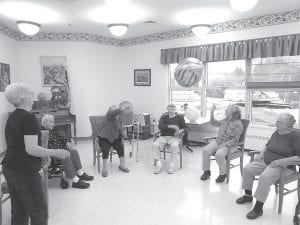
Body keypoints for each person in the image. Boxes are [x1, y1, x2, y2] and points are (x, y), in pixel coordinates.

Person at [1, 83, 70, 225]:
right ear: (23, 98)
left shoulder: (12, 117)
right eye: (31, 95)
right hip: (24, 171)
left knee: (19, 210)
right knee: (38, 211)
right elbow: (31, 148)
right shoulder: (29, 118)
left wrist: (43, 155)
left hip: (9, 167)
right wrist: (55, 152)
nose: (33, 98)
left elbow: (17, 146)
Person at [236, 113, 300, 220]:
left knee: (265, 177)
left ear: (287, 125)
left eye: (279, 122)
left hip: (284, 166)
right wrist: (261, 153)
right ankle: (248, 196)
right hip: (266, 161)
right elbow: (268, 144)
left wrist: (282, 160)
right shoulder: (277, 132)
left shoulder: (296, 137)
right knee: (247, 169)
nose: (276, 123)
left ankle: (258, 208)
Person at [41, 114, 94, 189]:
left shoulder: (51, 130)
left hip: (59, 149)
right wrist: (58, 151)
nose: (53, 123)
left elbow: (60, 138)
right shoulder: (42, 133)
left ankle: (80, 173)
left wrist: (67, 142)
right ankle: (75, 181)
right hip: (51, 153)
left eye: (53, 122)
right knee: (65, 156)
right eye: (51, 122)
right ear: (45, 122)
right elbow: (43, 148)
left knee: (74, 152)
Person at [200, 104, 243, 183]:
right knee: (205, 151)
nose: (225, 111)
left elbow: (235, 140)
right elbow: (213, 123)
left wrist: (223, 145)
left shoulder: (238, 124)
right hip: (218, 141)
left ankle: (223, 174)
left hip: (230, 145)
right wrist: (212, 112)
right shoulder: (224, 120)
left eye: (227, 110)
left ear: (232, 113)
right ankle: (206, 171)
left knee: (219, 154)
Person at [98, 104, 130, 177]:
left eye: (116, 110)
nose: (116, 112)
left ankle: (122, 165)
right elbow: (114, 113)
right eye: (114, 110)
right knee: (105, 148)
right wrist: (122, 109)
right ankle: (104, 168)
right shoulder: (108, 115)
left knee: (120, 146)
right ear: (110, 111)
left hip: (114, 138)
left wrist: (123, 132)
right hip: (104, 138)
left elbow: (120, 128)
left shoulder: (118, 118)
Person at [153, 103, 187, 174]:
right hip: (164, 136)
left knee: (174, 145)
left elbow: (187, 128)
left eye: (173, 109)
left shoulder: (180, 118)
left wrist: (182, 130)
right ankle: (159, 165)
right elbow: (160, 127)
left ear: (175, 110)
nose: (171, 110)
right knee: (156, 144)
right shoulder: (163, 117)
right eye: (169, 109)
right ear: (167, 109)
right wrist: (171, 126)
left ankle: (172, 165)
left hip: (175, 137)